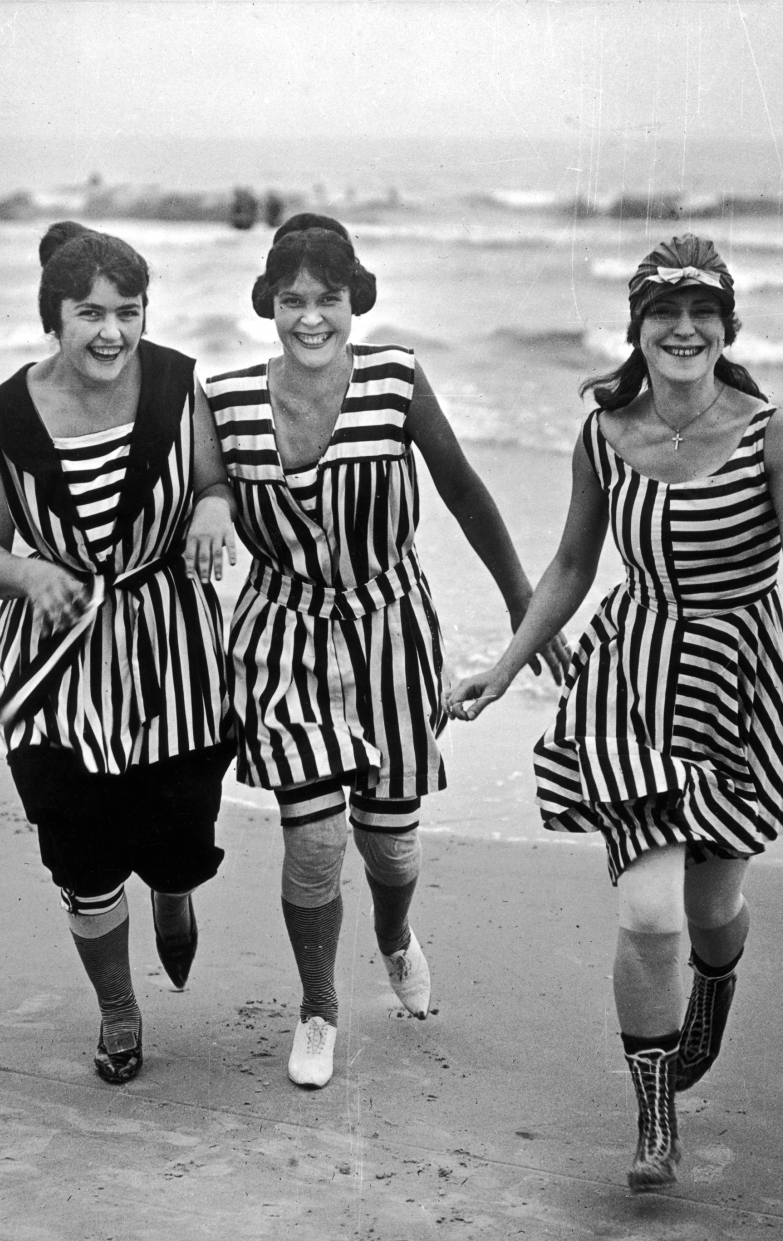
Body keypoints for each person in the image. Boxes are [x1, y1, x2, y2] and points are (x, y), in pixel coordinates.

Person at [447, 235, 783, 1190]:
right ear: (637, 328)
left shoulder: (776, 433)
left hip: (740, 682)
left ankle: (716, 989)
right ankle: (654, 1120)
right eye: (663, 314)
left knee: (712, 911)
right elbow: (569, 568)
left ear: (727, 327)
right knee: (649, 918)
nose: (683, 329)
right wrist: (503, 664)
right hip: (631, 680)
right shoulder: (605, 434)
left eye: (702, 313)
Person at [205, 214, 565, 1089]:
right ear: (269, 305)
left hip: (391, 633)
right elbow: (182, 481)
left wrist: (528, 607)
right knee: (317, 840)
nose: (312, 318)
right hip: (280, 637)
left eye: (329, 298)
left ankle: (395, 935)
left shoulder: (397, 380)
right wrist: (213, 495)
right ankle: (320, 1006)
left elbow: (464, 492)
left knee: (391, 850)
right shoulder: (223, 399)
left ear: (354, 299)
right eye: (293, 300)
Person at [0, 222, 237, 1085]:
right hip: (58, 673)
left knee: (179, 841)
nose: (112, 331)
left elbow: (215, 483)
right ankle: (119, 1009)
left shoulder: (180, 384)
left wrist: (215, 507)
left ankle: (173, 886)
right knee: (81, 856)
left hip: (175, 661)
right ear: (56, 317)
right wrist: (27, 573)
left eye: (128, 311)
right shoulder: (2, 418)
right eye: (90, 312)